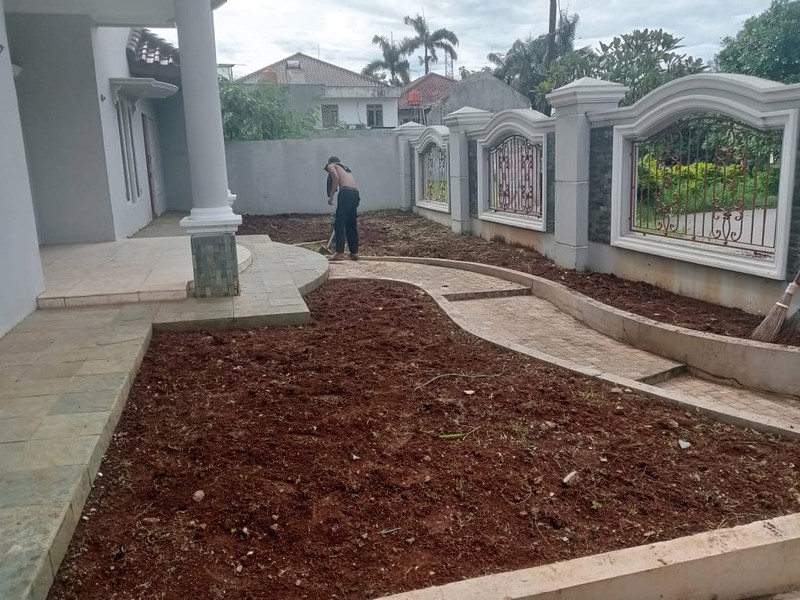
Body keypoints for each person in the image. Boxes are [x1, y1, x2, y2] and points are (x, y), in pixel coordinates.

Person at [324, 156, 360, 261]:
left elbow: (336, 178)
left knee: (339, 223)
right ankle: (354, 252)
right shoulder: (345, 169)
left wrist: (331, 196)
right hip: (355, 194)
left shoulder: (332, 166)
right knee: (351, 224)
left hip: (345, 193)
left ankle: (339, 253)